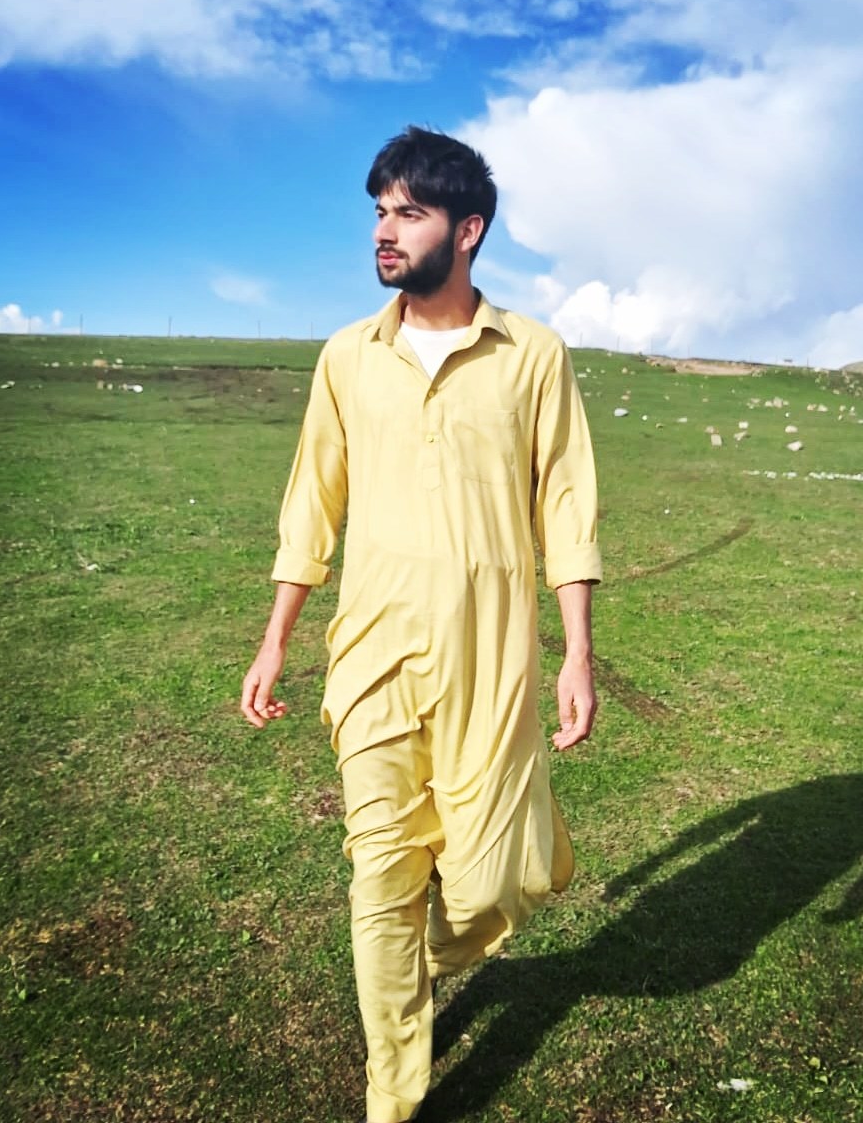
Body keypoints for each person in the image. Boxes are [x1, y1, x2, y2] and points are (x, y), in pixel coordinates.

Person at [240, 126, 601, 1123]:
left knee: (493, 886)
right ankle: (392, 1098)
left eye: (410, 212)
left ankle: (430, 944)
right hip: (371, 658)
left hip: (492, 657)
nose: (384, 231)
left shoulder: (533, 355)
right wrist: (275, 637)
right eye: (379, 212)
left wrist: (576, 651)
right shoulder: (347, 358)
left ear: (467, 230)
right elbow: (312, 502)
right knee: (380, 879)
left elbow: (566, 503)